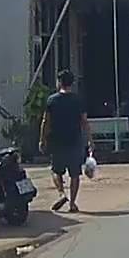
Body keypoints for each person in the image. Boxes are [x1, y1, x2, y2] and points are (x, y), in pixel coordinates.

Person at [38, 70, 90, 213]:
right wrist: (90, 140)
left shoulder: (52, 100)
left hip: (57, 141)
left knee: (56, 171)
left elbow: (45, 121)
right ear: (71, 83)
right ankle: (72, 204)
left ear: (59, 82)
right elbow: (84, 122)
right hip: (74, 141)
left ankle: (61, 194)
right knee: (75, 174)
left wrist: (42, 139)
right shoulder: (78, 100)